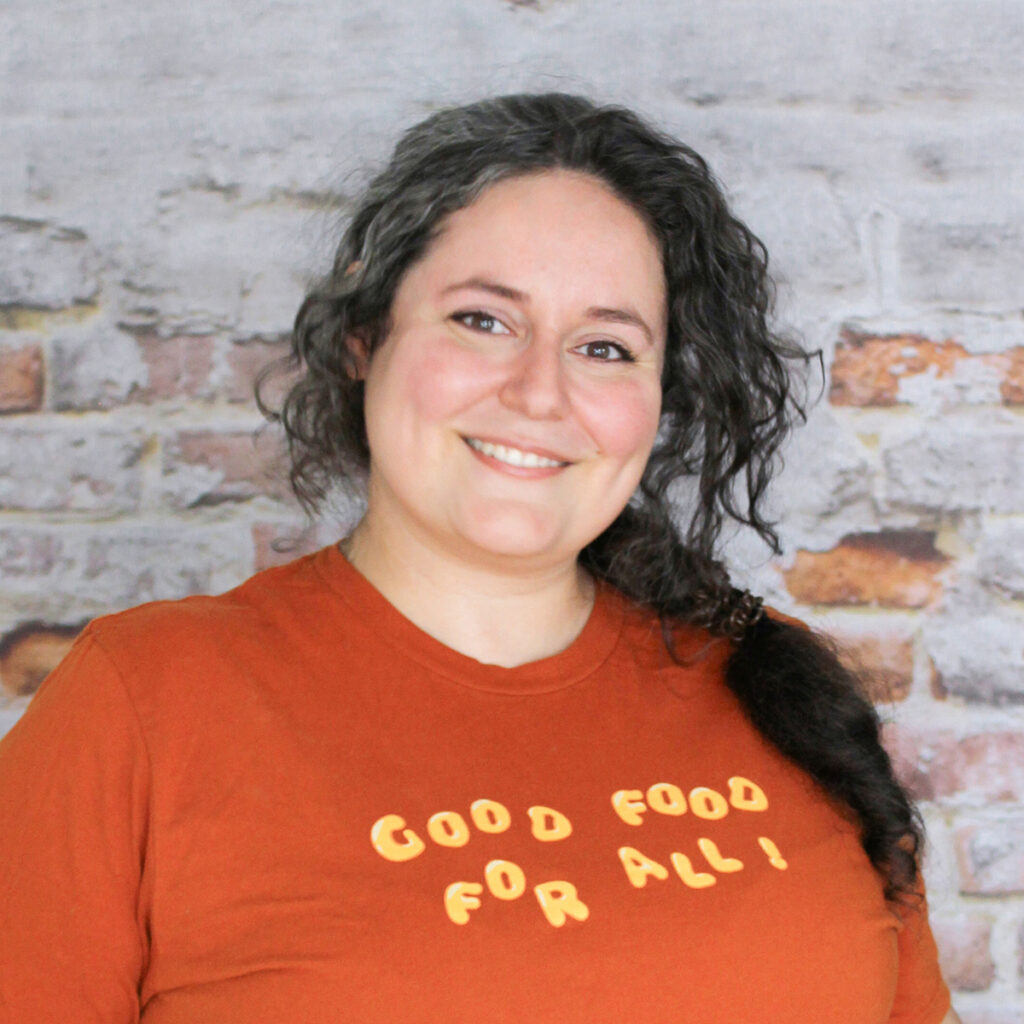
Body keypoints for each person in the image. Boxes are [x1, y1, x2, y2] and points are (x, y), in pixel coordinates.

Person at [0, 93, 958, 1023]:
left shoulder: (776, 687)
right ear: (366, 336)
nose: (540, 393)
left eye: (607, 347)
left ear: (660, 400)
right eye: (483, 321)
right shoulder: (143, 703)